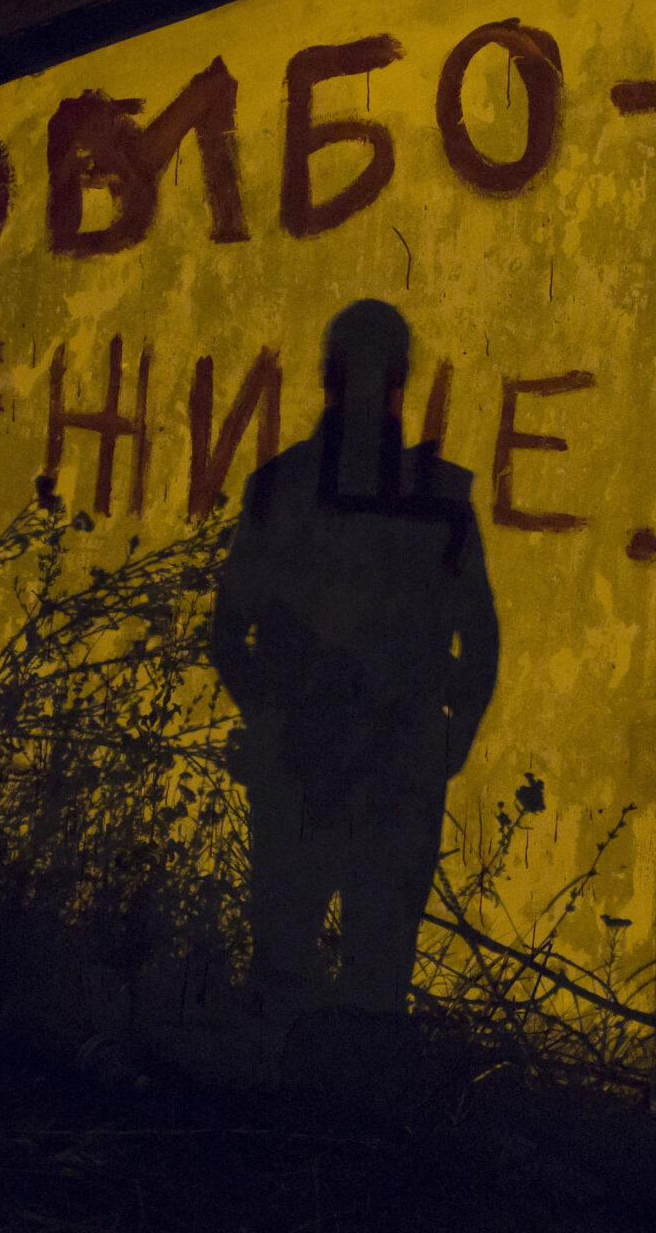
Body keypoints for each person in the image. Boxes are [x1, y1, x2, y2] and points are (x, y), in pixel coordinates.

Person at [210, 300, 500, 1017]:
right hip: (328, 771)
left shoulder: (422, 498)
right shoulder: (293, 490)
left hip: (377, 771)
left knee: (360, 983)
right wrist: (282, 720)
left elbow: (480, 638)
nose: (371, 390)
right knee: (298, 977)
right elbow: (228, 633)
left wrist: (441, 740)